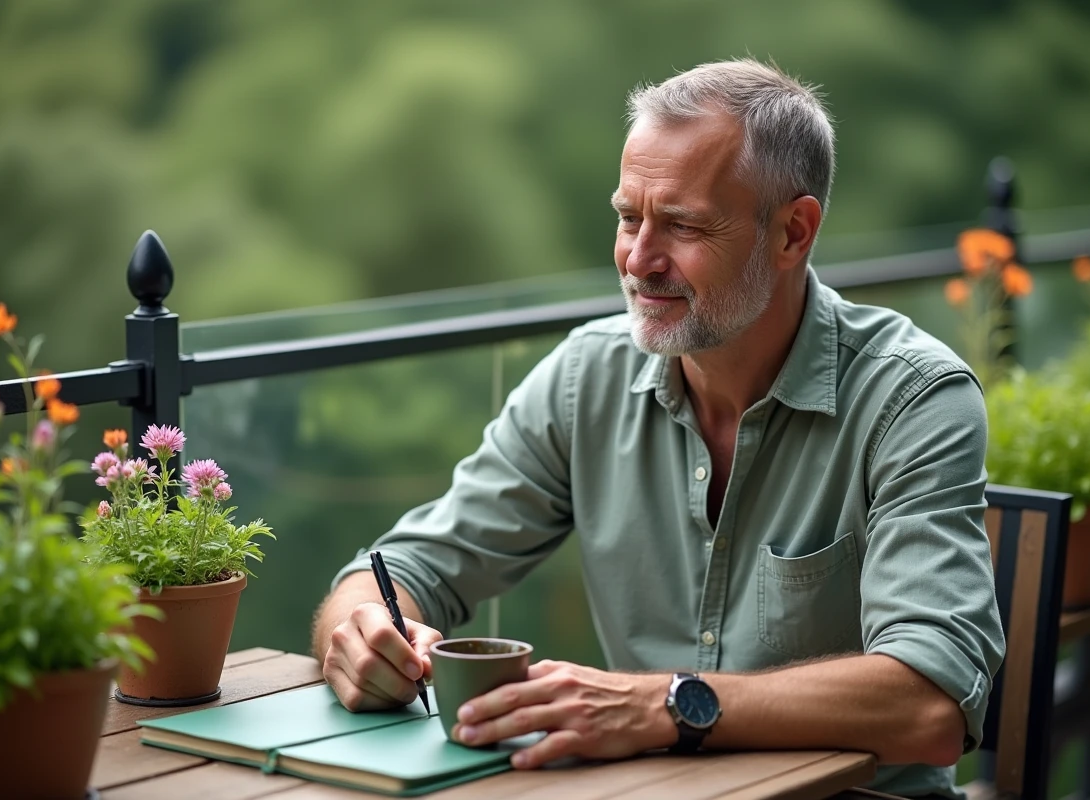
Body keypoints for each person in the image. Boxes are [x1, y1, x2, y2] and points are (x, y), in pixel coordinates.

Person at [312, 57, 1004, 799]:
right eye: (627, 217)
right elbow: (407, 568)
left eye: (683, 224)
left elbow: (931, 702)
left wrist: (664, 705)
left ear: (793, 233)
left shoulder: (913, 399)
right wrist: (363, 632)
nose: (638, 260)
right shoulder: (585, 378)